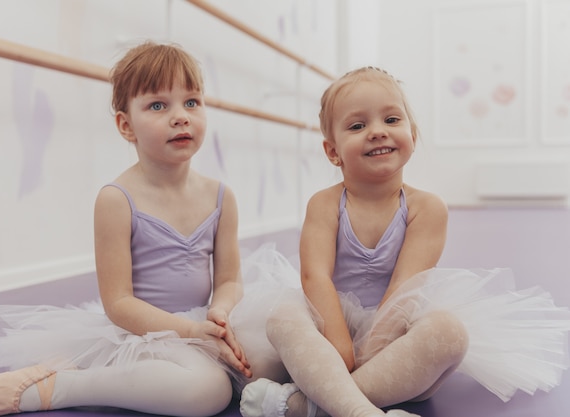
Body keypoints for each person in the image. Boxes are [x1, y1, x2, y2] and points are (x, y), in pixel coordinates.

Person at [0, 40, 288, 417]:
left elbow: (231, 280)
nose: (180, 116)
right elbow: (118, 303)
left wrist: (218, 312)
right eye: (158, 105)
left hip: (200, 320)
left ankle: (168, 375)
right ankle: (63, 385)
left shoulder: (221, 196)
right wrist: (186, 333)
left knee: (275, 361)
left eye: (191, 102)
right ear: (126, 125)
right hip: (144, 329)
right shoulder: (116, 199)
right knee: (208, 391)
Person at [239, 67, 570, 417]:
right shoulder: (324, 204)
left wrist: (371, 355)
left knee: (451, 334)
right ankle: (361, 409)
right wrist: (339, 347)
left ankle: (309, 404)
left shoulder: (426, 208)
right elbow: (315, 278)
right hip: (329, 325)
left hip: (392, 330)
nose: (377, 132)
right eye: (357, 126)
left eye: (391, 119)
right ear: (332, 151)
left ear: (412, 133)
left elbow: (404, 288)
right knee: (282, 318)